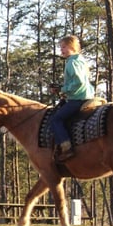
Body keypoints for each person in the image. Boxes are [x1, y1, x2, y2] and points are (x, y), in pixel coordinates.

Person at [49, 34, 94, 162]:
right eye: (61, 47)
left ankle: (66, 147)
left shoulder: (72, 63)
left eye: (64, 47)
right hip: (86, 95)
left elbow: (79, 82)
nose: (61, 50)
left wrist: (62, 89)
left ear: (72, 47)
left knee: (56, 119)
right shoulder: (80, 60)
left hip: (78, 99)